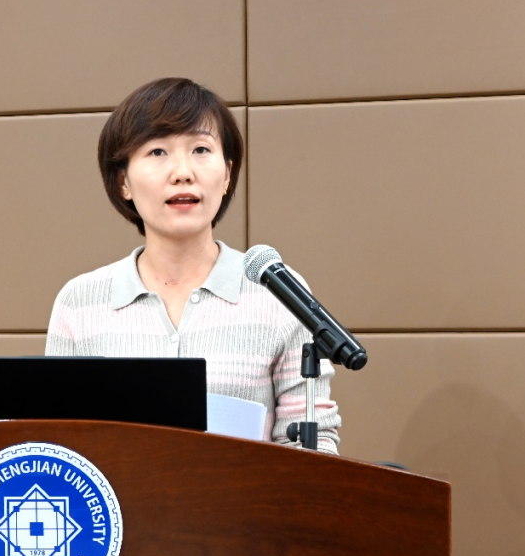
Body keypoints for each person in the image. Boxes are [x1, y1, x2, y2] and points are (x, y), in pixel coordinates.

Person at [45, 78, 340, 453]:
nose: (182, 172)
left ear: (227, 174)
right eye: (157, 152)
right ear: (123, 182)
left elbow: (316, 444)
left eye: (201, 149)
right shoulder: (79, 302)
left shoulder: (276, 293)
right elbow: (60, 446)